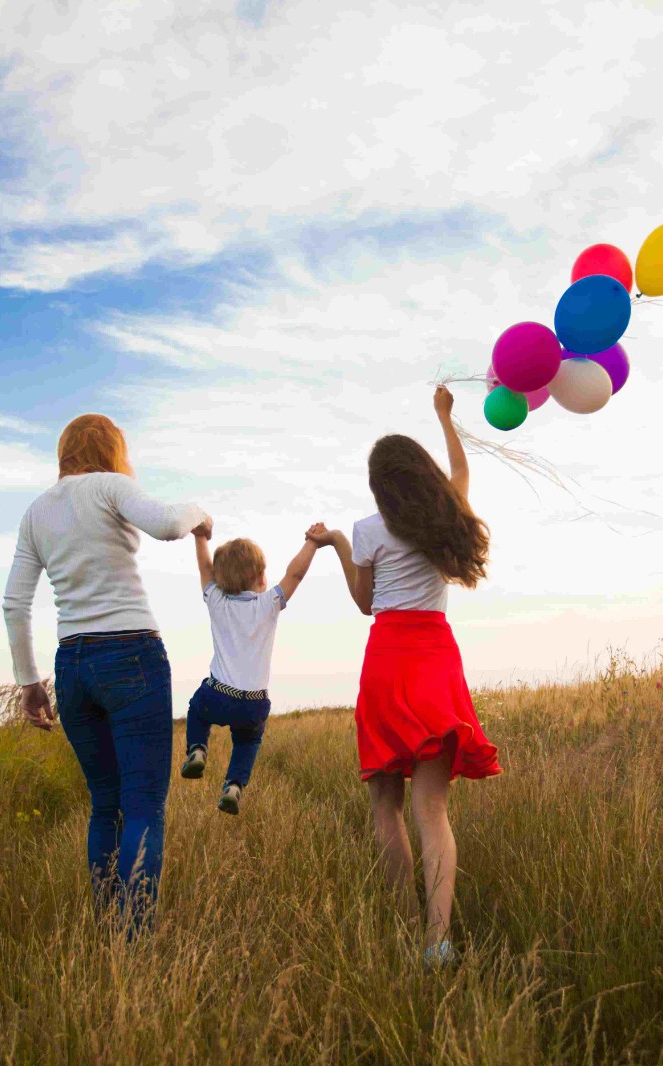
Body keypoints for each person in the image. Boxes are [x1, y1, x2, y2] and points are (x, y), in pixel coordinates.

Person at [311, 385, 501, 966]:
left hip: (389, 660)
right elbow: (462, 468)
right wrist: (445, 417)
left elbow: (364, 603)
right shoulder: (446, 517)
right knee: (432, 810)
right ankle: (437, 941)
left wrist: (340, 544)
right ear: (421, 474)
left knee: (385, 805)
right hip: (435, 657)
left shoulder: (368, 530)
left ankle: (400, 925)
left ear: (378, 486)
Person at [2, 413, 208, 936]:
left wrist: (29, 683)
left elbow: (14, 604)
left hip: (71, 668)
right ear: (113, 449)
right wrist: (201, 515)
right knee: (143, 804)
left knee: (105, 806)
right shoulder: (111, 486)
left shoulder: (35, 512)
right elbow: (167, 524)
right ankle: (133, 940)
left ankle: (109, 929)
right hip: (131, 654)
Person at [180, 522, 322, 815]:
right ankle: (234, 785)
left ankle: (197, 749)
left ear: (221, 580)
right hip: (255, 703)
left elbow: (205, 569)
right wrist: (312, 542)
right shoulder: (268, 603)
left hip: (218, 694)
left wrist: (200, 538)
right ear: (260, 578)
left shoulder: (216, 600)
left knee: (197, 708)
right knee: (248, 741)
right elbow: (295, 574)